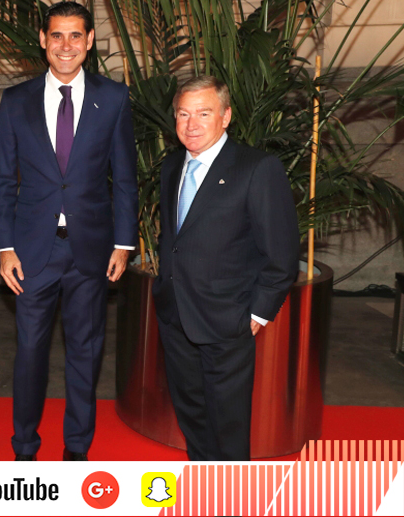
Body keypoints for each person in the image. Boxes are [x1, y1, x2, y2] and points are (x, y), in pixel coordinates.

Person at [0, 1, 138, 461]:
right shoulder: (16, 100)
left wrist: (124, 243)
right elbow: (2, 180)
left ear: (90, 41)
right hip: (32, 252)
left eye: (76, 35)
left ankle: (77, 450)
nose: (66, 45)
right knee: (29, 353)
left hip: (91, 251)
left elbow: (125, 177)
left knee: (85, 354)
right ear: (43, 40)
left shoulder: (113, 98)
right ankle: (24, 448)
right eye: (57, 35)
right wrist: (4, 246)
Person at [152, 75, 300, 461]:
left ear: (226, 116)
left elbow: (282, 253)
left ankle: (232, 491)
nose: (192, 124)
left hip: (228, 319)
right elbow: (174, 238)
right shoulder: (172, 165)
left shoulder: (257, 168)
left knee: (228, 424)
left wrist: (258, 313)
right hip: (175, 315)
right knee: (192, 415)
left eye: (204, 113)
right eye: (183, 114)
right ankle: (204, 482)